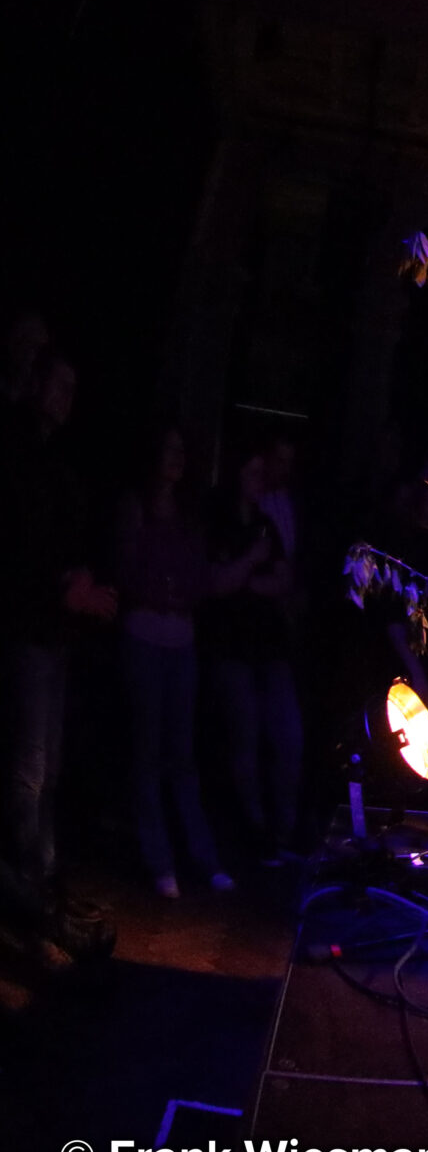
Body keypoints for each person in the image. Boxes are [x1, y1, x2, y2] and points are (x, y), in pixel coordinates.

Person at [1, 353, 116, 931]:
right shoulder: (17, 455)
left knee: (49, 762)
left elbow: (62, 538)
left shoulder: (58, 463)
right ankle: (27, 885)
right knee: (30, 765)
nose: (66, 397)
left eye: (74, 387)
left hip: (54, 631)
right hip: (26, 625)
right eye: (59, 384)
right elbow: (19, 544)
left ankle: (42, 877)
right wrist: (63, 583)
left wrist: (82, 578)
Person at [115, 427, 235, 898]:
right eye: (168, 449)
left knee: (182, 755)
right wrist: (159, 591)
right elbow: (127, 570)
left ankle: (203, 858)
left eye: (181, 450)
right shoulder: (137, 508)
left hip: (181, 639)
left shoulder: (188, 516)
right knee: (148, 752)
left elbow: (199, 577)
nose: (176, 457)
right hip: (145, 636)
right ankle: (159, 860)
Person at [201, 450, 302, 859]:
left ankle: (284, 831)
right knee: (244, 739)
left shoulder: (265, 524)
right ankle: (255, 830)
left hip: (270, 647)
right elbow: (216, 584)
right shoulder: (219, 524)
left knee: (288, 738)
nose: (261, 478)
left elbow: (283, 580)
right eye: (254, 471)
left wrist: (246, 580)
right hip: (232, 648)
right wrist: (250, 565)